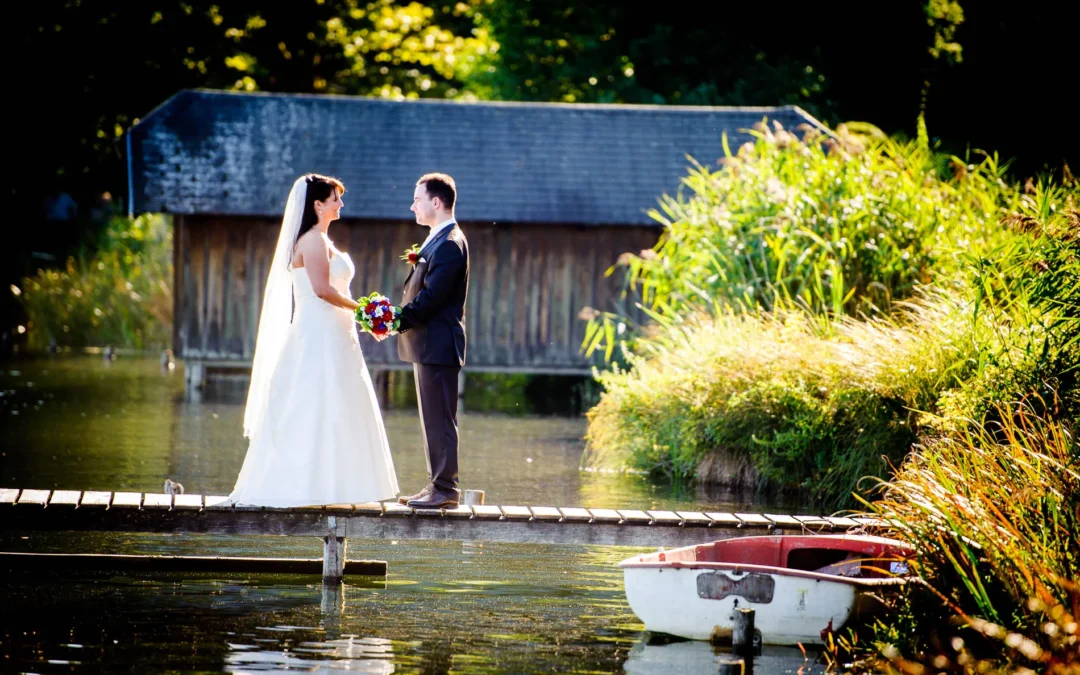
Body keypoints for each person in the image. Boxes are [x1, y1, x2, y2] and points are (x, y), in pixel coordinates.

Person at [227, 174, 399, 507]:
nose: (341, 203)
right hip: (318, 333)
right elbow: (322, 290)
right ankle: (307, 486)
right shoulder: (313, 241)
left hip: (335, 331)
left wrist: (362, 313)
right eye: (336, 198)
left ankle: (338, 486)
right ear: (318, 204)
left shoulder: (322, 240)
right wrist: (365, 309)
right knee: (316, 402)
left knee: (339, 404)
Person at [395, 173, 470, 509]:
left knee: (440, 419)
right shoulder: (437, 239)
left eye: (417, 199)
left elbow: (432, 298)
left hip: (438, 344)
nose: (413, 206)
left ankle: (445, 489)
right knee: (432, 418)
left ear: (436, 203)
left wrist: (395, 320)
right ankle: (435, 484)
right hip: (427, 343)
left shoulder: (451, 244)